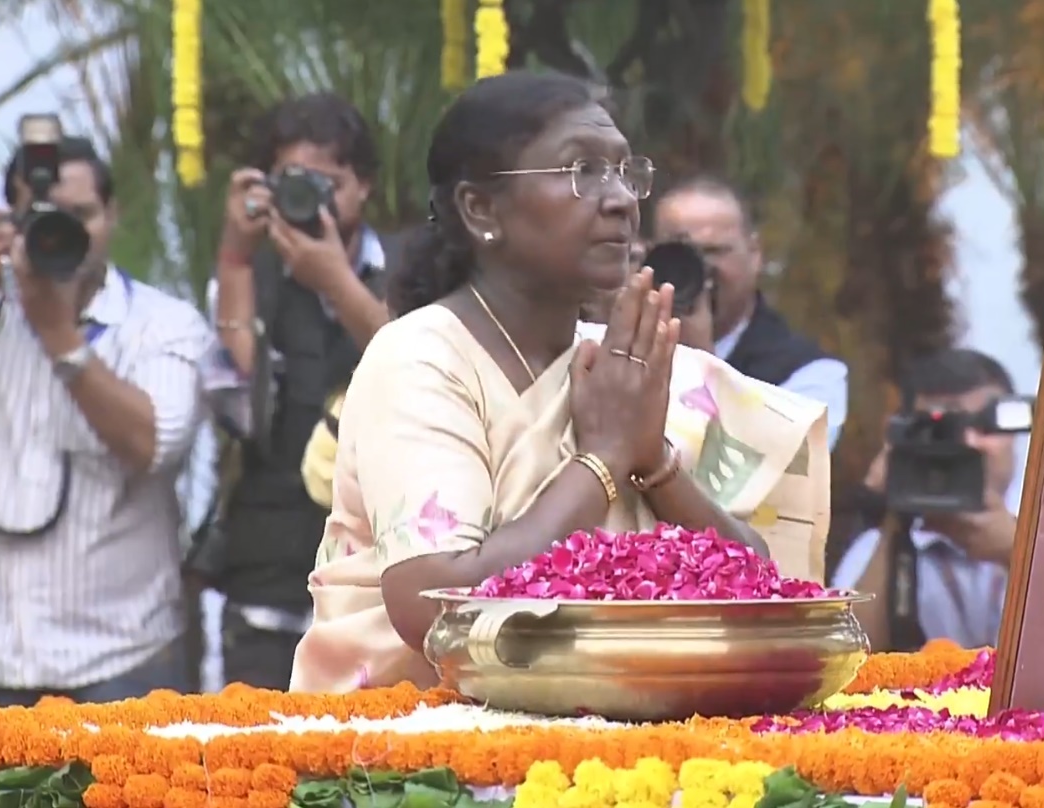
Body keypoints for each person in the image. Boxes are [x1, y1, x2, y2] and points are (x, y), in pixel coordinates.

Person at [289, 71, 831, 693]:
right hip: (420, 760)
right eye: (582, 171)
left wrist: (652, 459)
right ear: (480, 209)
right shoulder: (421, 357)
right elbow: (438, 606)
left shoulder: (619, 365)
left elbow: (756, 588)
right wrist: (603, 460)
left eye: (627, 172)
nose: (621, 199)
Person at [0, 137, 209, 705]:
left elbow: (155, 444)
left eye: (81, 216)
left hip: (125, 664)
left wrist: (59, 336)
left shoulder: (162, 324)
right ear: (11, 226)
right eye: (45, 219)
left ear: (111, 217)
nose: (65, 235)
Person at [201, 92, 390, 691]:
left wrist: (335, 281)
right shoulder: (248, 275)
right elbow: (238, 407)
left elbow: (423, 363)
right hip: (267, 583)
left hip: (380, 595)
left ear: (364, 186)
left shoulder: (413, 271)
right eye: (293, 180)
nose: (313, 198)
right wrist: (234, 256)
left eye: (328, 182)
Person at [830, 348, 1021, 650]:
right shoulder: (880, 547)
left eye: (986, 426)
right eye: (945, 431)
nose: (970, 443)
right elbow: (847, 656)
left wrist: (1018, 551)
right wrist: (895, 516)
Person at [651, 177, 850, 450]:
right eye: (680, 253)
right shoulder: (619, 348)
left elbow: (777, 480)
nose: (698, 268)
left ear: (755, 254)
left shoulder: (810, 373)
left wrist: (700, 365)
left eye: (714, 251)